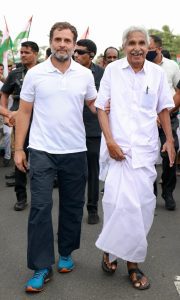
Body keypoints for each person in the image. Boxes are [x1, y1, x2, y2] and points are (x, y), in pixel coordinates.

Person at [14, 21, 97, 293]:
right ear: (51, 41)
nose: (62, 44)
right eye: (58, 39)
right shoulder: (36, 74)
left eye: (67, 40)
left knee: (73, 206)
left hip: (75, 150)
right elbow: (24, 112)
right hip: (41, 150)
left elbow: (95, 106)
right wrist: (18, 148)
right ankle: (41, 267)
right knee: (39, 208)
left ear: (75, 44)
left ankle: (66, 253)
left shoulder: (84, 75)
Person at [95, 26, 175, 290]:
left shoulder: (158, 73)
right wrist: (110, 140)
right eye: (132, 43)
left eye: (142, 43)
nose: (137, 47)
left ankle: (113, 249)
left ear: (149, 47)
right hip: (118, 151)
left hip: (145, 151)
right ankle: (131, 263)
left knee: (142, 208)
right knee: (117, 205)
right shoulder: (112, 71)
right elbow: (101, 108)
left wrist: (170, 141)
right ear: (124, 46)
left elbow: (163, 108)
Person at [1, 41, 39, 209]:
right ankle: (21, 197)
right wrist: (6, 113)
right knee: (20, 159)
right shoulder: (15, 74)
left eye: (27, 52)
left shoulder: (44, 72)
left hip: (42, 123)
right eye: (21, 52)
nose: (23, 55)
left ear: (35, 54)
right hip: (20, 121)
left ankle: (40, 195)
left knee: (39, 160)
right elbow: (4, 93)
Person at [146, 35, 180, 210]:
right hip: (146, 119)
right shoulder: (141, 66)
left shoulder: (172, 66)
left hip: (169, 116)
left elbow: (178, 93)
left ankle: (167, 191)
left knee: (170, 153)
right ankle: (149, 193)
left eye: (149, 48)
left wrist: (164, 113)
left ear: (158, 49)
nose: (144, 51)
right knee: (148, 154)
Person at [74, 39, 104, 224]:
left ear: (91, 54)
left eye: (80, 52)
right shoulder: (68, 73)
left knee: (93, 172)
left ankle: (92, 208)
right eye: (74, 52)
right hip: (71, 131)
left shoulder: (103, 74)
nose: (76, 55)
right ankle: (74, 209)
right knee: (74, 174)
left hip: (93, 131)